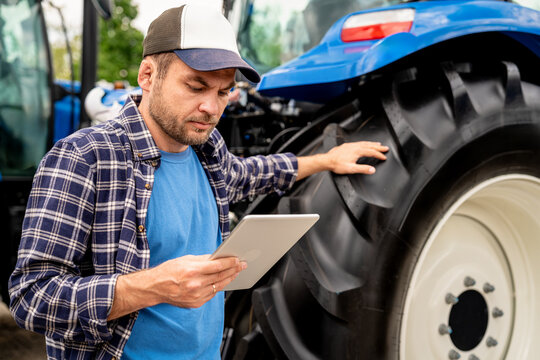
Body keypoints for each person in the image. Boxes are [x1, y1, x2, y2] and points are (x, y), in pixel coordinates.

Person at [8, 4, 388, 360]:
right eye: (196, 86)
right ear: (147, 75)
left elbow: (249, 174)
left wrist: (325, 160)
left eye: (223, 92)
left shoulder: (208, 150)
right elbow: (31, 297)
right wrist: (152, 287)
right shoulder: (85, 157)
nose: (211, 107)